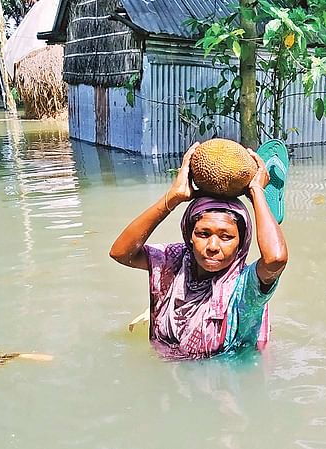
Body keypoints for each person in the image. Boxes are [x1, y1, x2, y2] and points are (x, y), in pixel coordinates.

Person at [109, 142, 288, 359]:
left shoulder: (245, 286)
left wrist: (257, 192)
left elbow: (276, 259)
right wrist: (173, 198)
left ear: (241, 244)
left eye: (226, 237)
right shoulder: (174, 262)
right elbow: (121, 253)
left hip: (226, 380)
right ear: (189, 235)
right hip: (168, 370)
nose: (212, 246)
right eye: (203, 234)